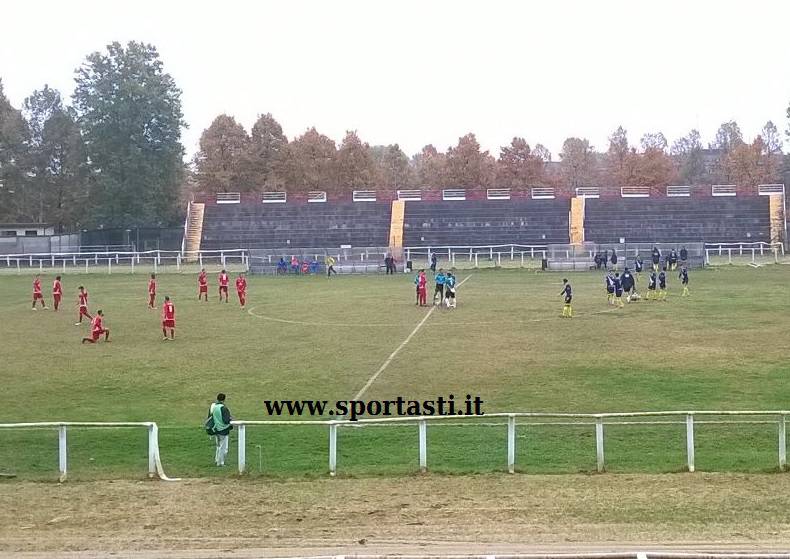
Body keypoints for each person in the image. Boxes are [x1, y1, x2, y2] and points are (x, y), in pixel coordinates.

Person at [207, 393, 233, 467]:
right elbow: (226, 420)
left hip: (216, 429)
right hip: (223, 429)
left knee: (218, 446)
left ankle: (217, 460)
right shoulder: (223, 408)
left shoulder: (214, 407)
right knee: (224, 448)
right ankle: (220, 462)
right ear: (224, 399)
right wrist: (230, 419)